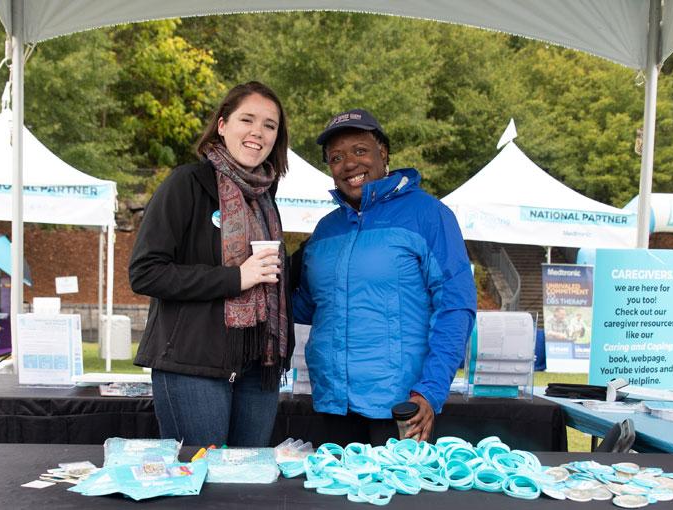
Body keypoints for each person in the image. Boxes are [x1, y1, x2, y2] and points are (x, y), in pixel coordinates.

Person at [292, 108, 477, 444]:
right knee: (331, 496)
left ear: (383, 152)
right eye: (336, 157)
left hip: (399, 408)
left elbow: (456, 307)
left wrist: (430, 391)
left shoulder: (429, 215)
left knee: (394, 497)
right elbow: (306, 307)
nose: (349, 164)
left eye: (360, 151)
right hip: (333, 405)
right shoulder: (324, 230)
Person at [129, 81, 295, 447]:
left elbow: (274, 281)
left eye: (270, 125)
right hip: (193, 367)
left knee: (245, 488)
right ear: (222, 125)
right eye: (247, 119)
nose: (258, 132)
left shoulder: (265, 198)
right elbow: (145, 272)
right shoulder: (187, 183)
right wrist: (236, 278)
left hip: (258, 369)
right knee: (202, 490)